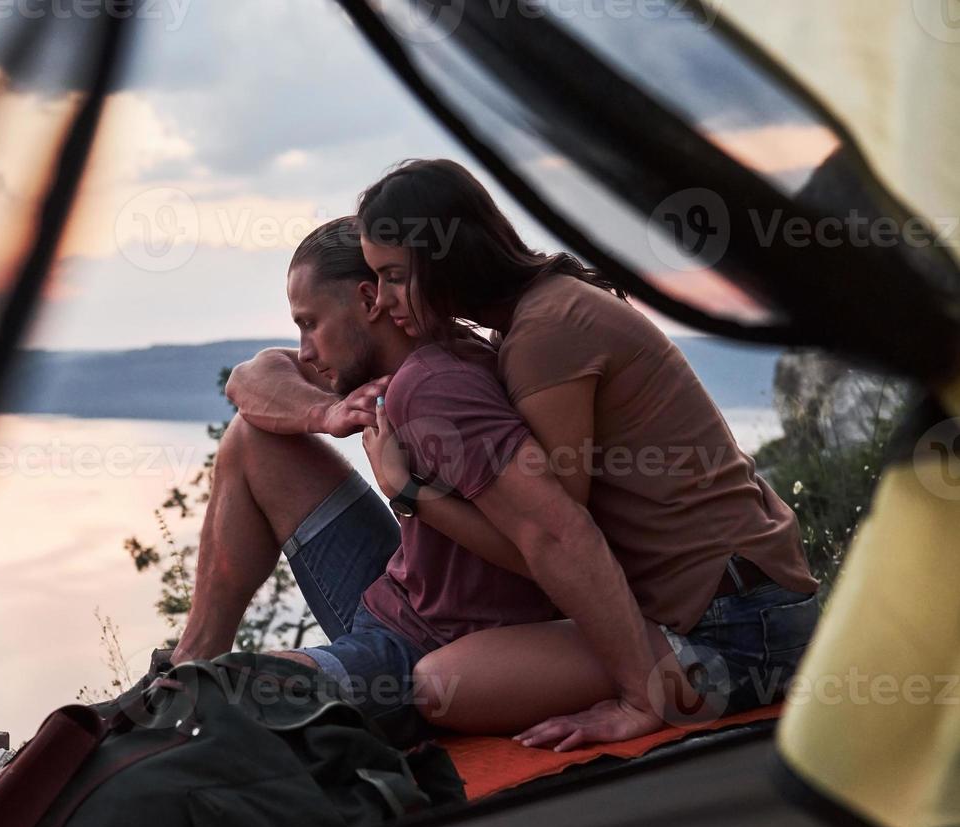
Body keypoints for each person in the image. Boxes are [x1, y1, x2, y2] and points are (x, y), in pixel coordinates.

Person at [160, 217, 696, 746]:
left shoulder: (438, 389)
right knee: (252, 439)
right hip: (398, 597)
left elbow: (549, 540)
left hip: (437, 646)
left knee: (236, 695)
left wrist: (408, 493)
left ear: (370, 301)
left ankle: (187, 686)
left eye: (310, 324)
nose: (304, 350)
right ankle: (190, 658)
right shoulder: (417, 361)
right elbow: (249, 379)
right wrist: (329, 413)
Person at [349, 158, 821, 749]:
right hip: (755, 602)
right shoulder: (543, 311)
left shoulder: (545, 333)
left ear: (444, 256)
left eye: (394, 276)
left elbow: (555, 537)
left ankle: (659, 685)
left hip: (739, 630)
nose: (385, 300)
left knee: (442, 685)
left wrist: (411, 494)